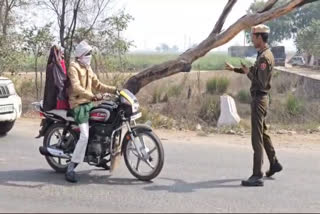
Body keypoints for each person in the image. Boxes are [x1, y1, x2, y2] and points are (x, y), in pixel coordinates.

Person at [225, 24, 283, 187]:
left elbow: (261, 82)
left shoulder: (264, 57)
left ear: (259, 37)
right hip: (261, 99)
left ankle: (257, 175)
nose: (252, 39)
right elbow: (252, 70)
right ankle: (274, 163)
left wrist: (248, 73)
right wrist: (235, 69)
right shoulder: (263, 54)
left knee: (256, 137)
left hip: (259, 99)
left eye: (253, 37)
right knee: (263, 133)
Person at [65, 40, 118, 183]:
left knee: (103, 125)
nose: (90, 56)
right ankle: (71, 167)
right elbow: (76, 87)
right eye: (88, 54)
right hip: (78, 104)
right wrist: (93, 96)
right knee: (84, 135)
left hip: (89, 103)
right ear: (81, 55)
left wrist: (115, 89)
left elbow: (98, 85)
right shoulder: (74, 67)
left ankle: (98, 156)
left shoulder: (88, 68)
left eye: (90, 53)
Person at [43, 45, 70, 111]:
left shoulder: (55, 64)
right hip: (58, 97)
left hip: (54, 96)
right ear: (57, 53)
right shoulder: (56, 66)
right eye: (61, 53)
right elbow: (60, 82)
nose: (63, 55)